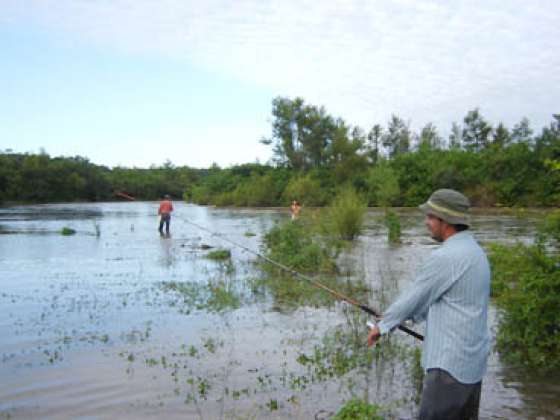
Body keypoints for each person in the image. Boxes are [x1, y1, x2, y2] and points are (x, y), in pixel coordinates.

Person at [367, 189, 490, 420]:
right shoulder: (476, 252)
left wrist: (382, 327)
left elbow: (414, 296)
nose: (427, 223)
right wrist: (398, 318)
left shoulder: (446, 257)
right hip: (472, 365)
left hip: (448, 369)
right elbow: (442, 300)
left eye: (430, 217)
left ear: (446, 221)